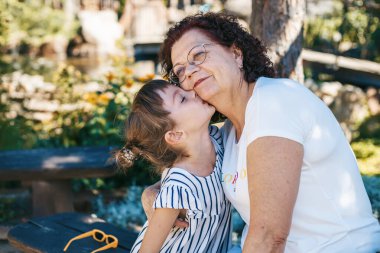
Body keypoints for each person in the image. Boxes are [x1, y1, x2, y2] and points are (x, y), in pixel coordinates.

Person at [142, 12, 380, 253]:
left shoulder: (274, 103)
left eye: (199, 54)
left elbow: (269, 238)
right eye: (180, 71)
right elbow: (194, 173)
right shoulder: (227, 132)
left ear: (236, 54)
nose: (190, 71)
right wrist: (153, 192)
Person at [115, 79, 233, 252]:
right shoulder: (178, 188)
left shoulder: (218, 139)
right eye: (183, 99)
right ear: (176, 135)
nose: (193, 92)